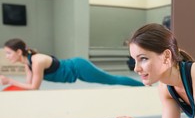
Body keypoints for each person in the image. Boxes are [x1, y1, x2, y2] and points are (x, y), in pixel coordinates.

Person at [1, 38, 144, 90]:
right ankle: (143, 86)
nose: (7, 56)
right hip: (76, 71)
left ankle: (143, 86)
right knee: (111, 80)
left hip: (78, 67)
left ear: (18, 52)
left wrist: (9, 80)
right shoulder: (28, 64)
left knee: (111, 80)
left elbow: (33, 87)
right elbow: (28, 86)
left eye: (8, 53)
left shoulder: (36, 61)